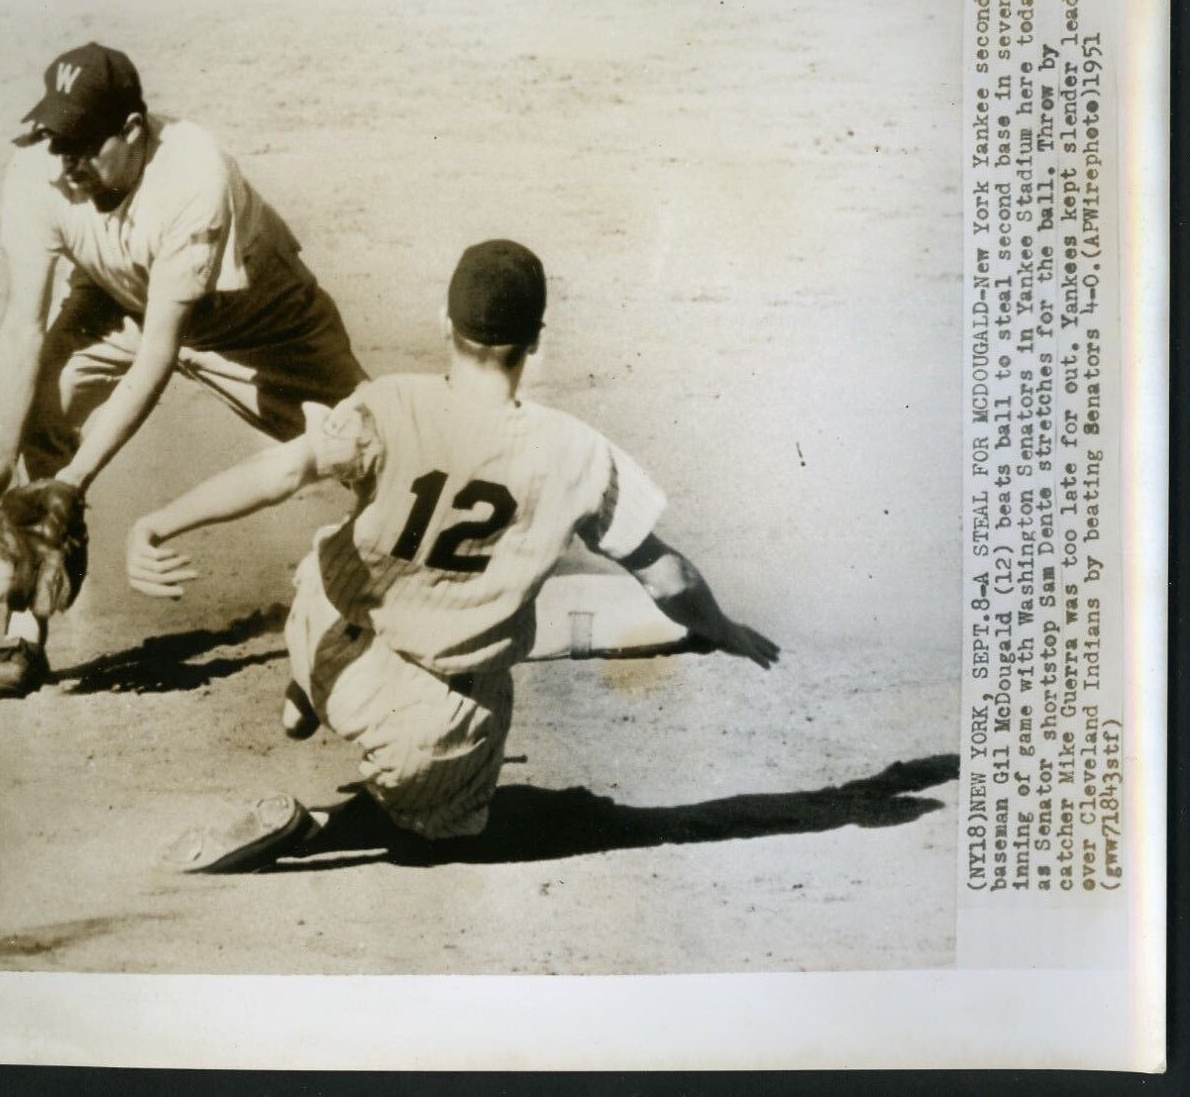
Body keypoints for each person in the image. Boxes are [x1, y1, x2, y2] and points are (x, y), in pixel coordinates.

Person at [126, 239, 780, 872]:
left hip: (321, 633)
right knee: (449, 827)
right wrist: (722, 630)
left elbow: (282, 471)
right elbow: (668, 577)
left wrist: (160, 521)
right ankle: (316, 825)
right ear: (536, 340)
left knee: (335, 551)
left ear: (445, 321)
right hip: (424, 718)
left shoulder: (388, 403)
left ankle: (303, 696)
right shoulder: (575, 453)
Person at [0, 43, 367, 698]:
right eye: (58, 142)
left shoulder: (191, 176)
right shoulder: (40, 170)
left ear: (132, 131)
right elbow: (21, 324)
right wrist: (3, 456)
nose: (67, 166)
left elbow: (160, 354)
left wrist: (72, 482)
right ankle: (27, 624)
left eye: (85, 146)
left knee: (371, 443)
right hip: (118, 303)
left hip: (261, 318)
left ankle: (455, 581)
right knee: (47, 399)